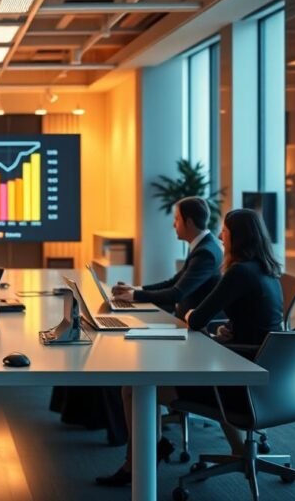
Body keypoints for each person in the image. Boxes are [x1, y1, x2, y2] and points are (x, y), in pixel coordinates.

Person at [97, 208, 284, 487]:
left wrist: (190, 315)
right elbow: (259, 320)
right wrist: (230, 329)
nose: (220, 236)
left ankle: (138, 462)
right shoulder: (267, 270)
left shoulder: (239, 273)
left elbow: (197, 319)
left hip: (239, 380)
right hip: (263, 373)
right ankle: (239, 451)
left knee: (134, 387)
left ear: (239, 238)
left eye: (226, 231)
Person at [112, 196, 222, 320]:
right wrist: (137, 289)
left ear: (189, 222)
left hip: (195, 330)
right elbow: (174, 282)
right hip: (181, 318)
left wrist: (134, 295)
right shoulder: (202, 245)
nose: (174, 225)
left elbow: (177, 294)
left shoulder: (205, 253)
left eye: (177, 219)